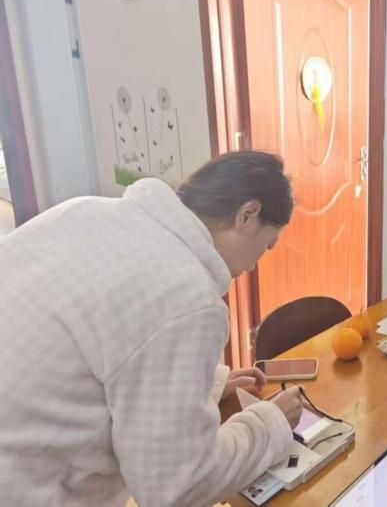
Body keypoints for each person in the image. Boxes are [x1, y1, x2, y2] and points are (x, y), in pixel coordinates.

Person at [0, 151, 304, 506]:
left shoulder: (87, 210)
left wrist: (202, 386)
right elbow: (177, 486)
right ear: (247, 215)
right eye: (266, 247)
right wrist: (271, 423)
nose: (253, 266)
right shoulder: (188, 296)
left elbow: (105, 351)